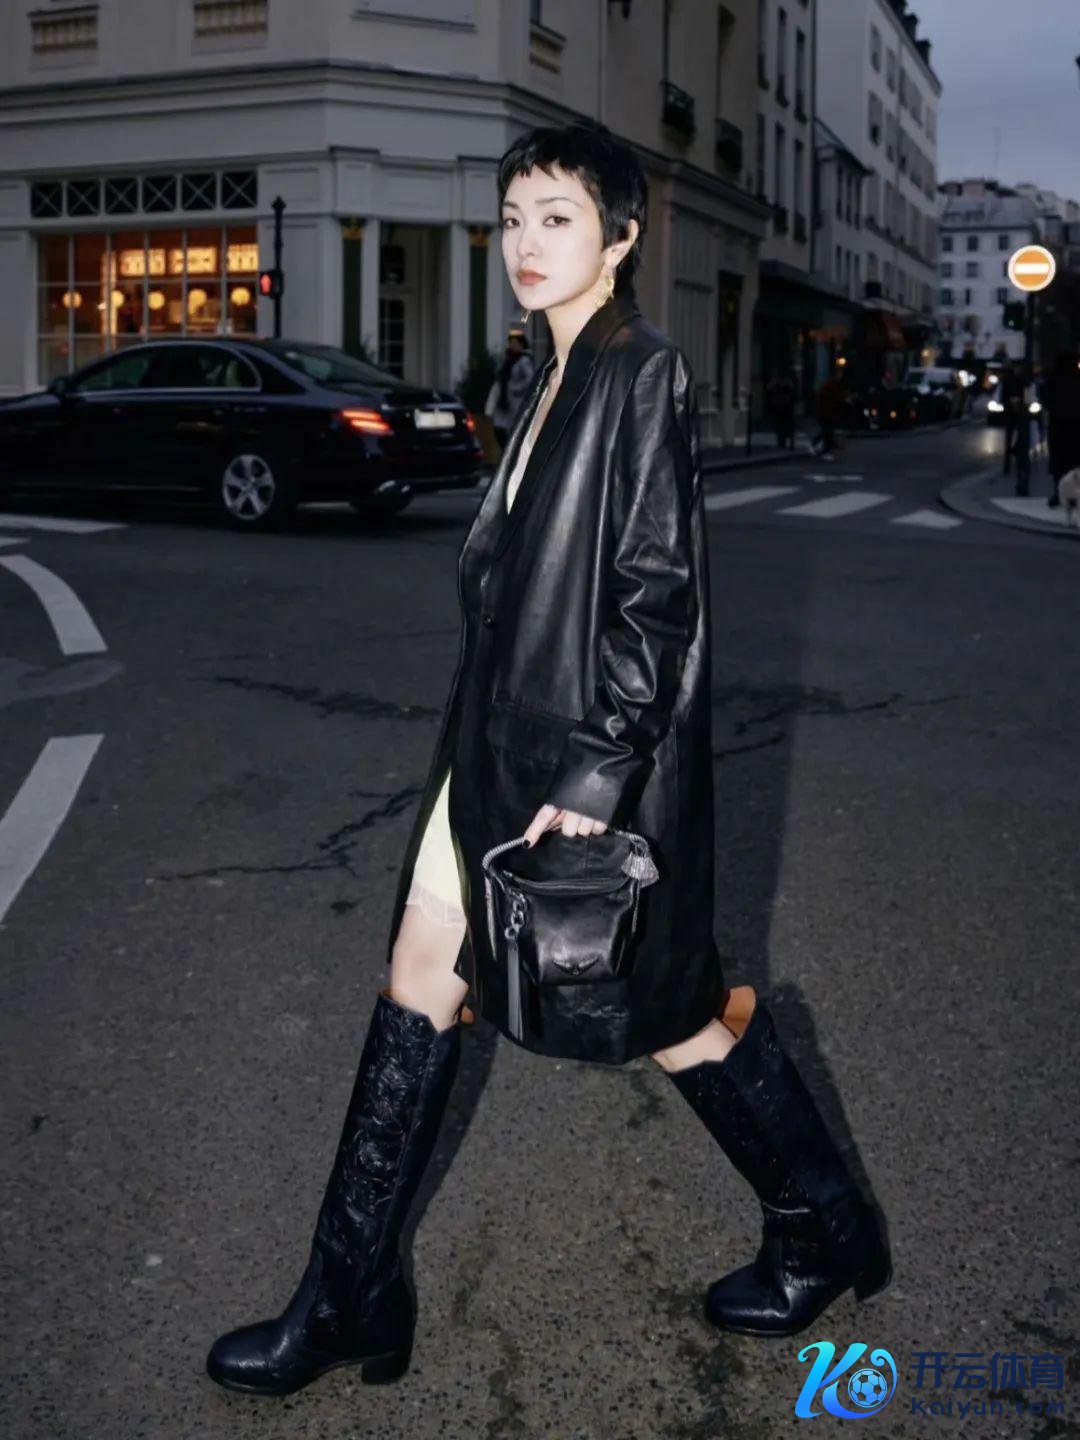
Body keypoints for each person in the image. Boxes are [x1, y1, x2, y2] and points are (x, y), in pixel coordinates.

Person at [205, 119, 890, 1399]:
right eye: (515, 216)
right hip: (493, 745)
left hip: (578, 756)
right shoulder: (544, 372)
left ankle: (823, 1225)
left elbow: (655, 594)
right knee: (423, 979)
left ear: (620, 239)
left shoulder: (640, 372)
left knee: (671, 1010)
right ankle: (351, 1293)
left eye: (558, 217)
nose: (526, 241)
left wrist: (592, 777)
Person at [484, 326, 536, 449]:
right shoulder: (509, 359)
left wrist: (515, 388)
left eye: (514, 343)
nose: (512, 345)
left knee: (511, 433)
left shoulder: (524, 360)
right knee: (499, 429)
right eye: (510, 343)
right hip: (504, 403)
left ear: (521, 344)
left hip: (515, 403)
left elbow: (530, 380)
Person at [1044, 349, 1080, 507]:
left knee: (1058, 462)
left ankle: (1058, 493)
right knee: (1073, 461)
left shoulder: (1053, 378)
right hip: (1076, 425)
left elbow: (1047, 399)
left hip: (1058, 424)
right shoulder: (1076, 378)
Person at [811, 367, 848, 459]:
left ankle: (823, 447)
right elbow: (834, 398)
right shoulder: (830, 385)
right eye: (839, 375)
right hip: (826, 413)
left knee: (827, 431)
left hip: (826, 412)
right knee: (827, 431)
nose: (840, 377)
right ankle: (823, 447)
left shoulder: (830, 385)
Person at [765, 369, 797, 449]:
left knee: (783, 424)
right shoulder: (786, 382)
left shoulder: (786, 382)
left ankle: (784, 441)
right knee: (782, 424)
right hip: (781, 406)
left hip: (783, 406)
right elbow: (769, 389)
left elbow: (768, 390)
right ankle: (784, 441)